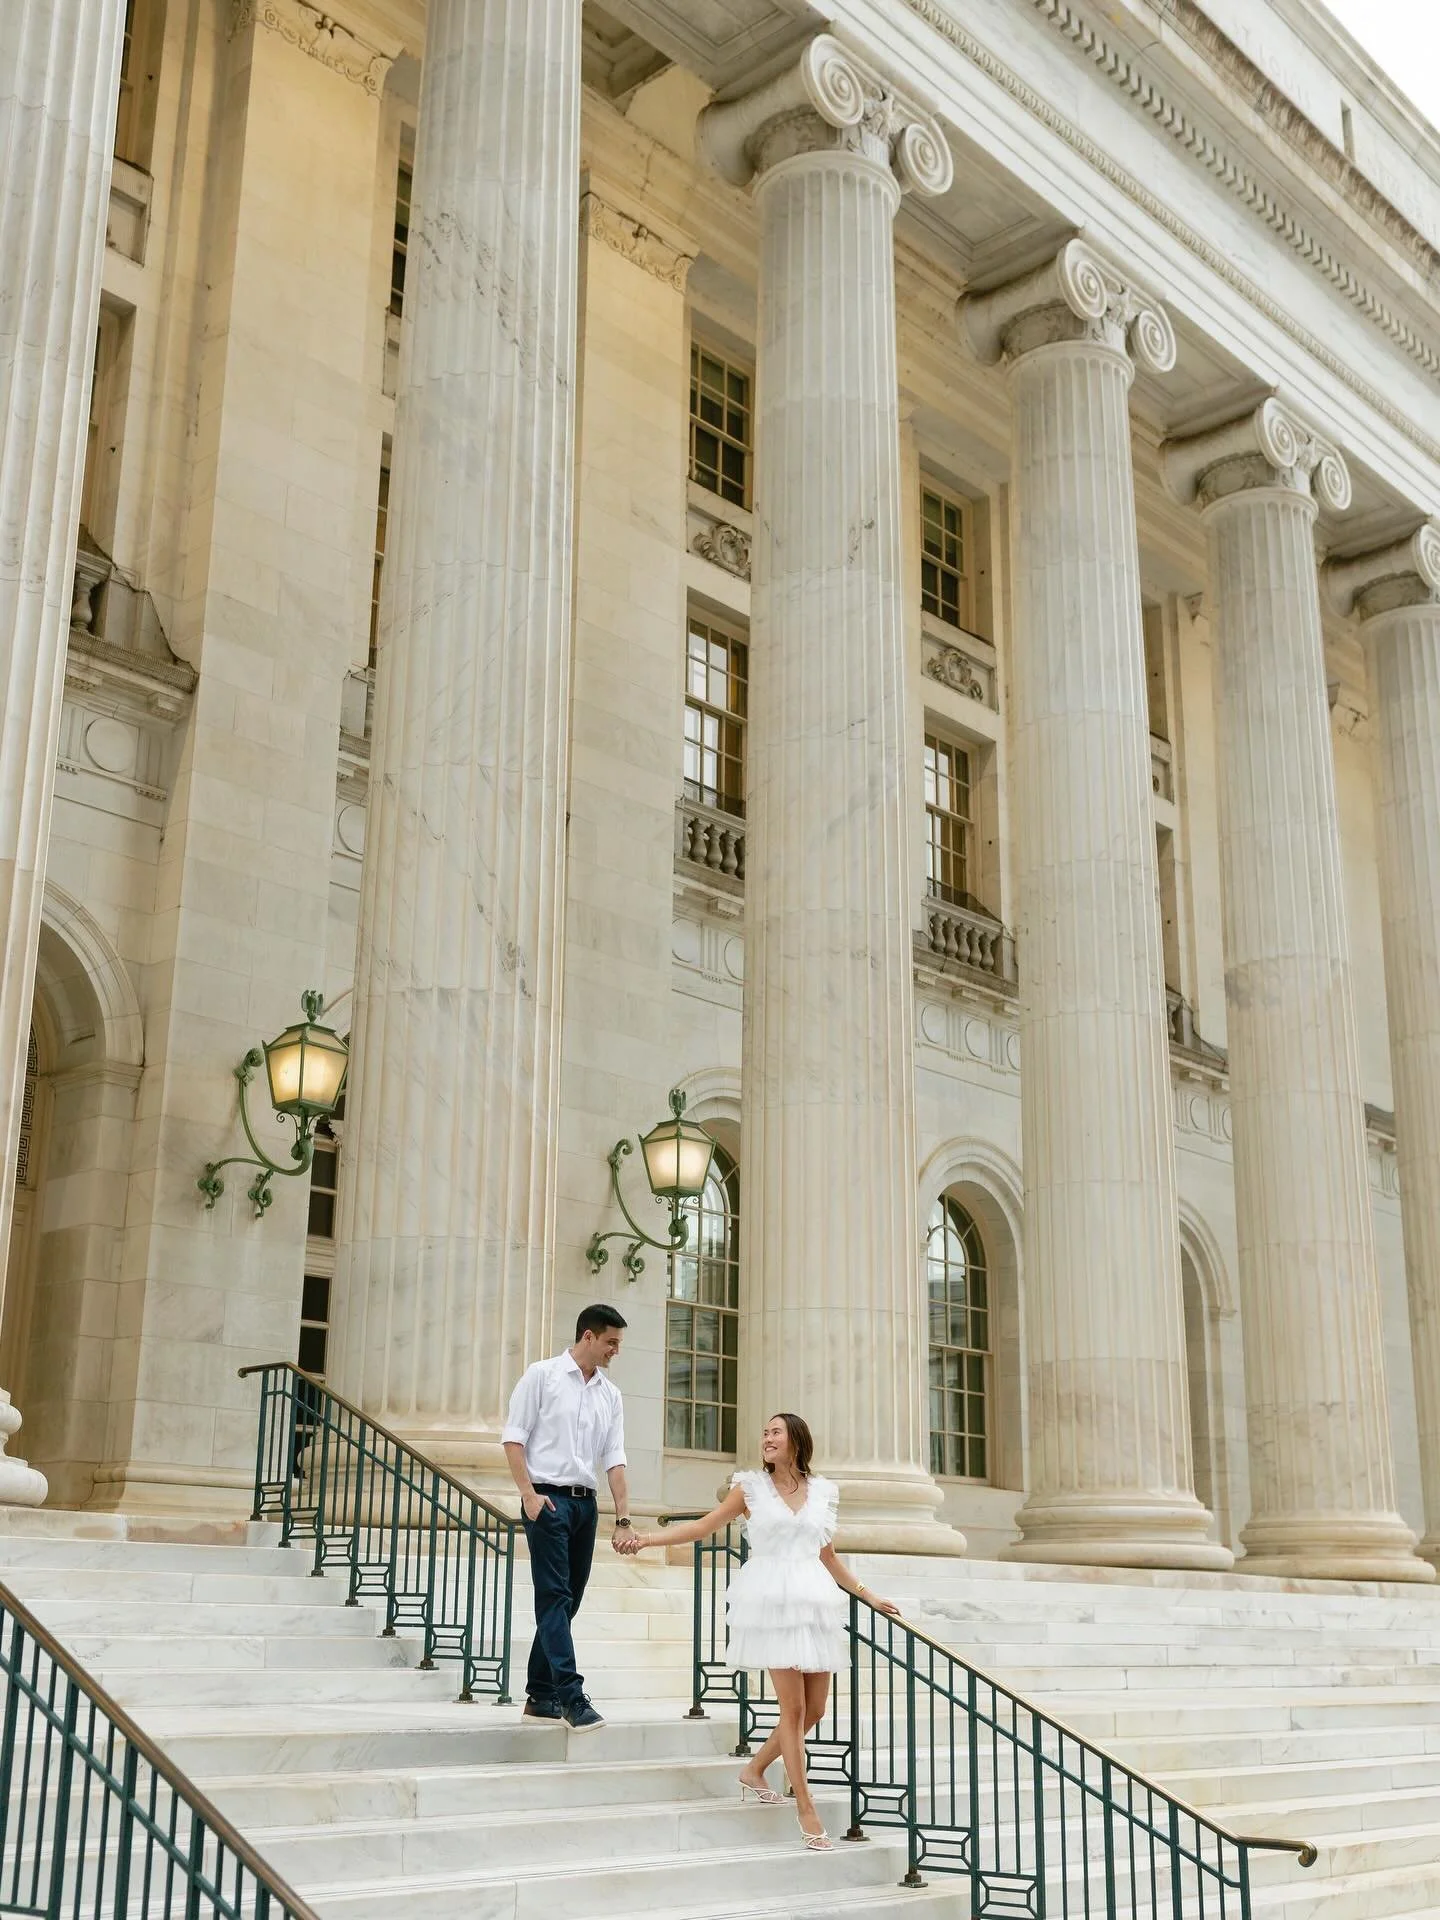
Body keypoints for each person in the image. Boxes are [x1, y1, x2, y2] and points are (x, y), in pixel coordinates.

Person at [623, 1411, 899, 1850]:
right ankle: (805, 1807)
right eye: (764, 1433)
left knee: (815, 1711)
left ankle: (753, 1770)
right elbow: (702, 1527)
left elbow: (827, 1556)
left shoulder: (822, 1492)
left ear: (796, 1441)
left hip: (813, 1602)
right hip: (770, 1602)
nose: (767, 1439)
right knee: (792, 1711)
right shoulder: (749, 1488)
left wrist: (867, 1594)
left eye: (775, 1432)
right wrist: (645, 1540)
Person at [501, 1304, 633, 1732]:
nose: (616, 1350)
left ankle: (540, 1694)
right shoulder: (542, 1376)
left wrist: (623, 1518)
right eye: (611, 1341)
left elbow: (614, 1460)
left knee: (568, 1601)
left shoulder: (610, 1395)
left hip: (585, 1505)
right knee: (554, 1596)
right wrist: (528, 1495)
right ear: (589, 1337)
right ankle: (570, 1697)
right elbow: (514, 1438)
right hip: (548, 1502)